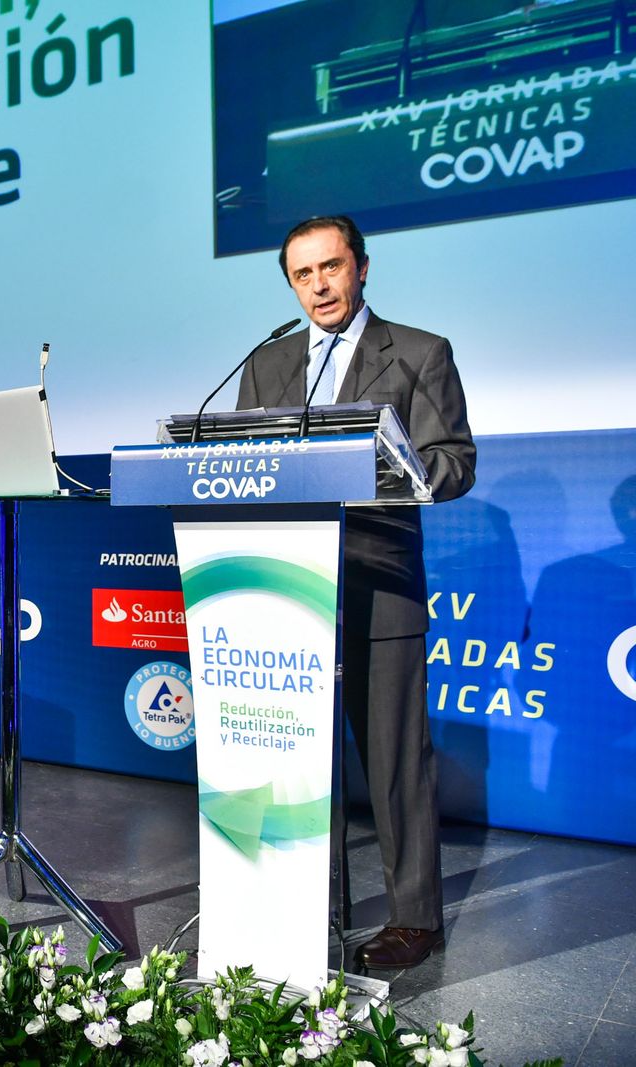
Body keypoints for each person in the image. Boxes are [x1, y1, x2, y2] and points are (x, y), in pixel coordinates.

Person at [236, 214, 476, 970]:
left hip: (382, 578)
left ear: (361, 268)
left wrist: (394, 472)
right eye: (303, 275)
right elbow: (244, 461)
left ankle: (415, 918)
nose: (319, 285)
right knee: (299, 758)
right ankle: (312, 905)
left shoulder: (418, 351)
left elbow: (455, 461)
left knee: (396, 757)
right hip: (290, 583)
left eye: (331, 268)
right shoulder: (266, 362)